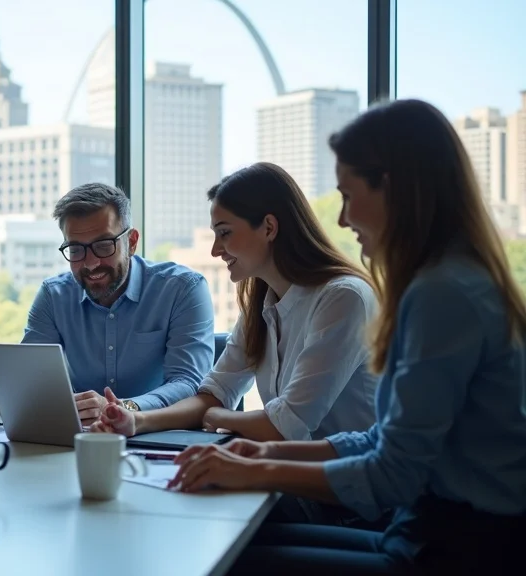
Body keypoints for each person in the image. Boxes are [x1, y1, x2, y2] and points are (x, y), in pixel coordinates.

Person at [170, 99, 526, 574]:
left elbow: (392, 475)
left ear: (393, 189)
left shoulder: (441, 296)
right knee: (235, 539)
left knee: (227, 555)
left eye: (348, 194)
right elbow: (383, 439)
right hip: (427, 530)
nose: (342, 219)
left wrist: (256, 465)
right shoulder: (444, 282)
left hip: (457, 548)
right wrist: (265, 452)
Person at [94, 163, 379, 526]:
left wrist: (215, 417)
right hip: (293, 486)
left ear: (270, 228)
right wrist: (135, 421)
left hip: (346, 504)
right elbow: (213, 393)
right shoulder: (263, 302)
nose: (216, 250)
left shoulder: (343, 299)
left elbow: (283, 426)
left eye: (225, 233)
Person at [22, 182, 215, 426]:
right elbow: (30, 382)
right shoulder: (53, 296)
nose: (90, 264)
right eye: (76, 249)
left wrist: (124, 409)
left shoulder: (183, 289)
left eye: (104, 246)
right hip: (82, 437)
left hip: (158, 434)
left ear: (132, 242)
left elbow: (188, 383)